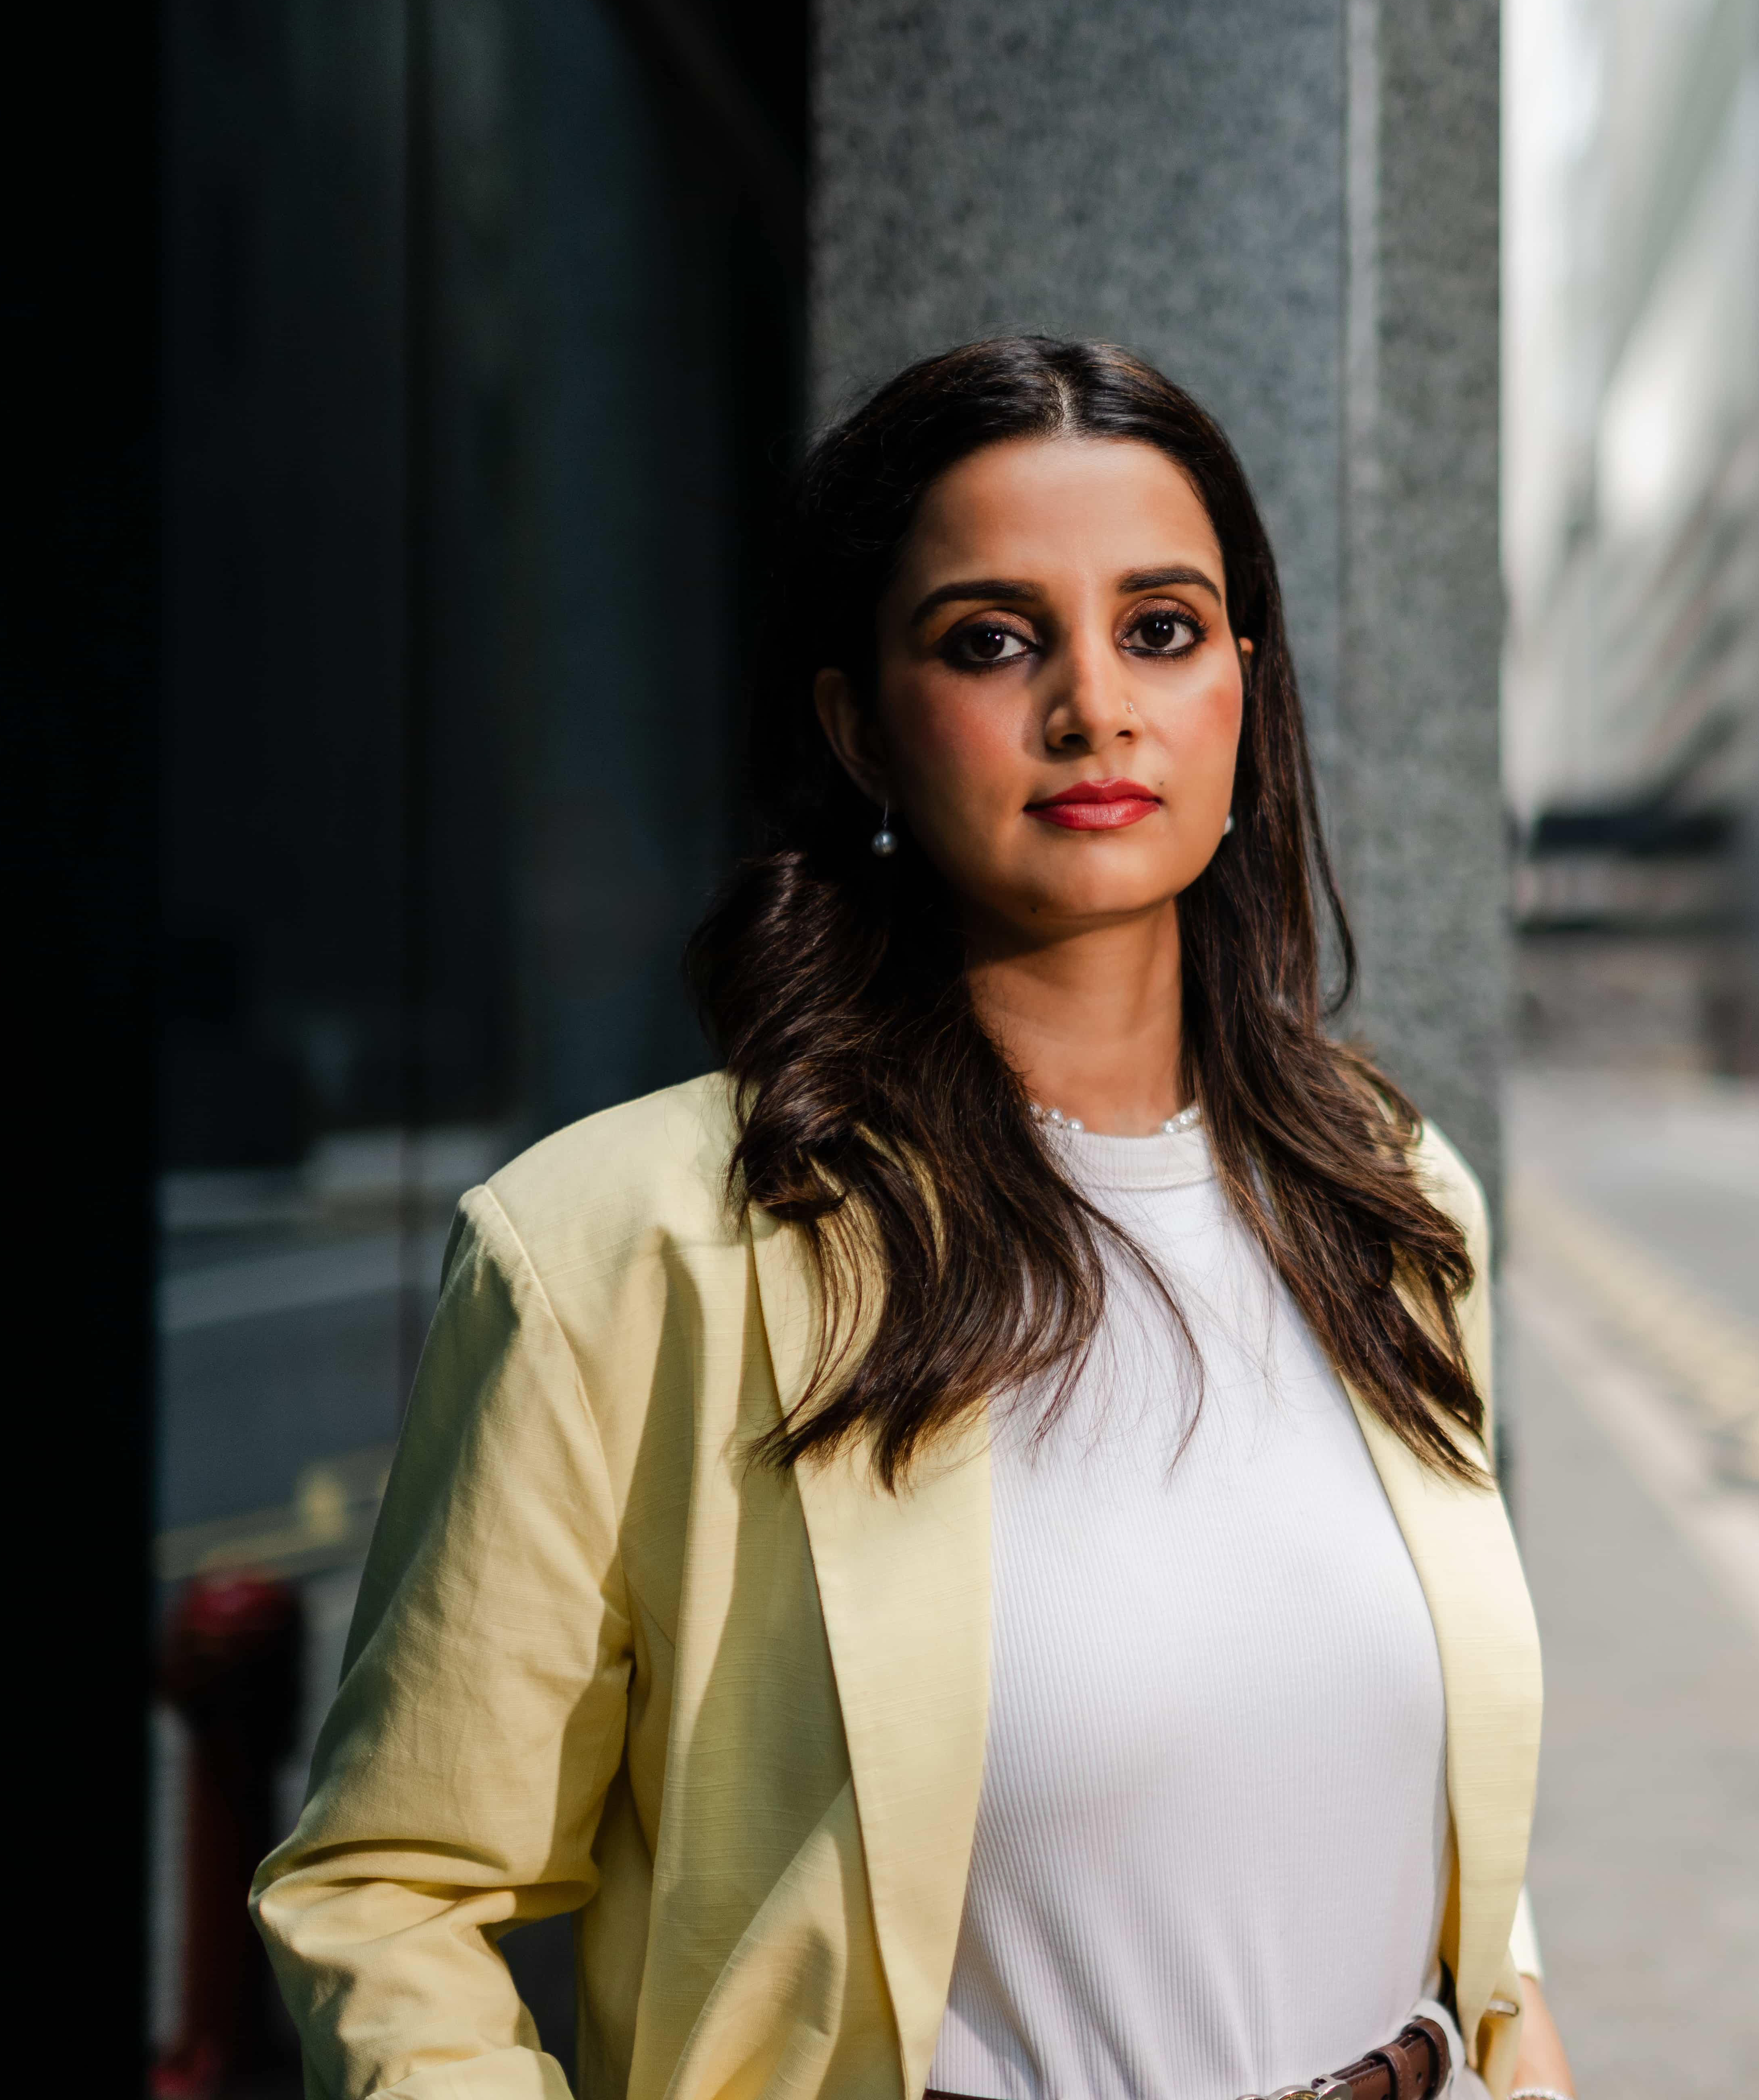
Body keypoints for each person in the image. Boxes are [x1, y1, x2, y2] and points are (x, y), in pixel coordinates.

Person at [255, 336, 1578, 2100]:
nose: (1094, 704)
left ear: (1242, 694)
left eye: (1162, 629)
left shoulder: (1394, 1195)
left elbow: (1467, 1874)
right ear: (860, 723)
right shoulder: (627, 1253)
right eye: (994, 638)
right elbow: (391, 1895)